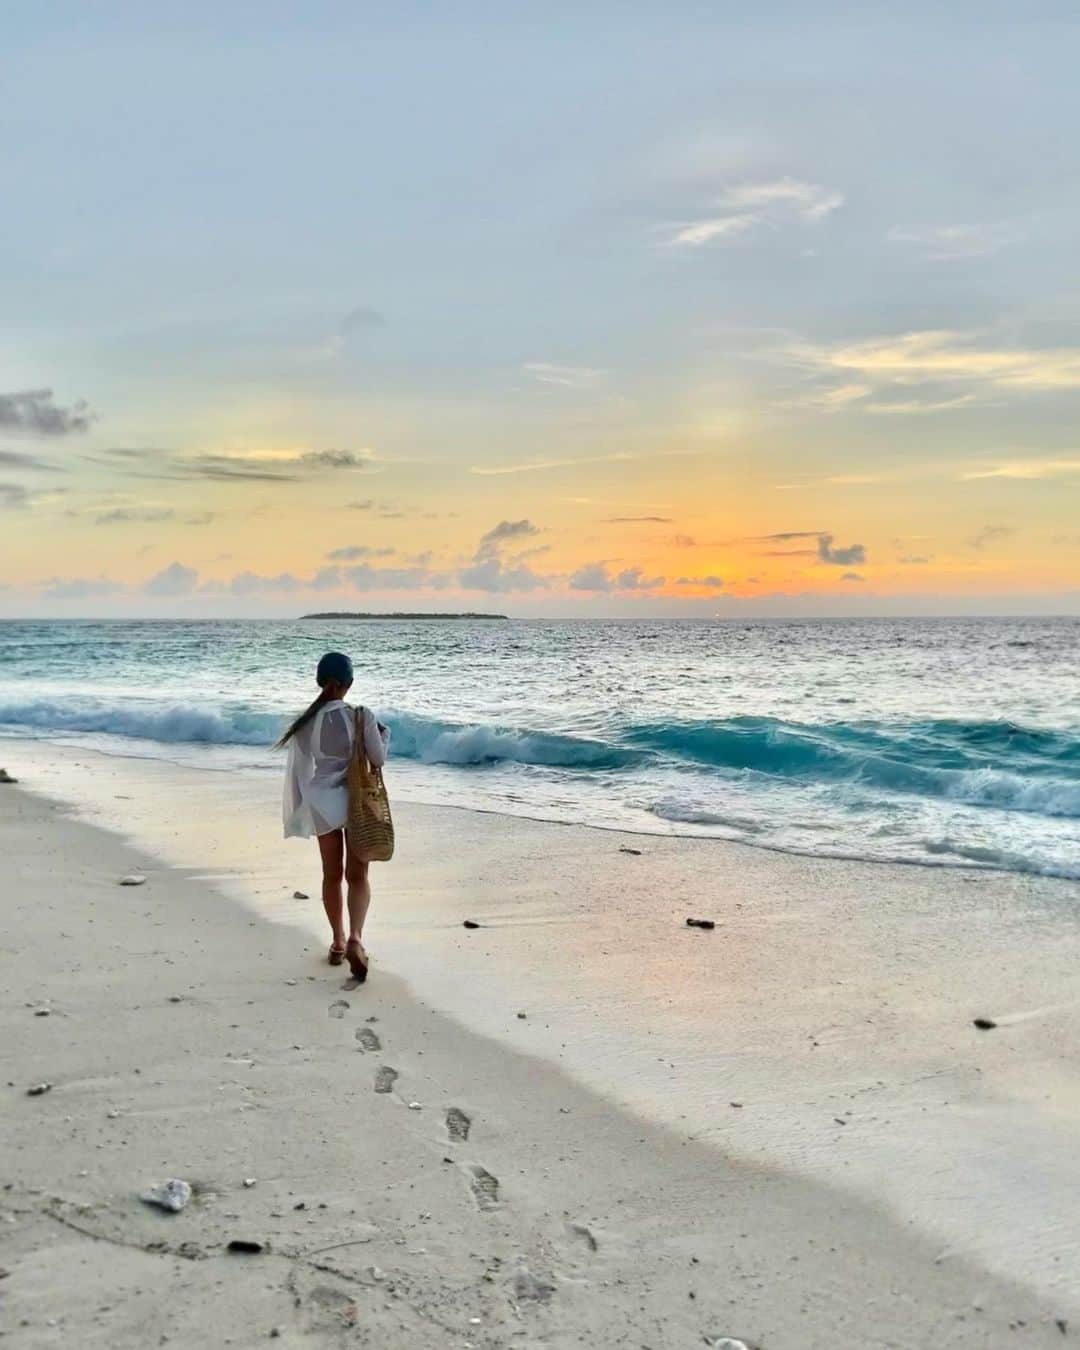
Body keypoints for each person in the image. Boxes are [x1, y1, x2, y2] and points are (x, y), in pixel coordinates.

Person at [278, 651, 390, 981]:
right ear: (349, 684)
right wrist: (385, 736)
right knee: (358, 875)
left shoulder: (304, 724)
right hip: (355, 803)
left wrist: (302, 810)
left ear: (320, 682)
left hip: (321, 802)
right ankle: (356, 938)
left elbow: (300, 773)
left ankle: (338, 941)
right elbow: (378, 760)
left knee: (331, 875)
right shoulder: (361, 716)